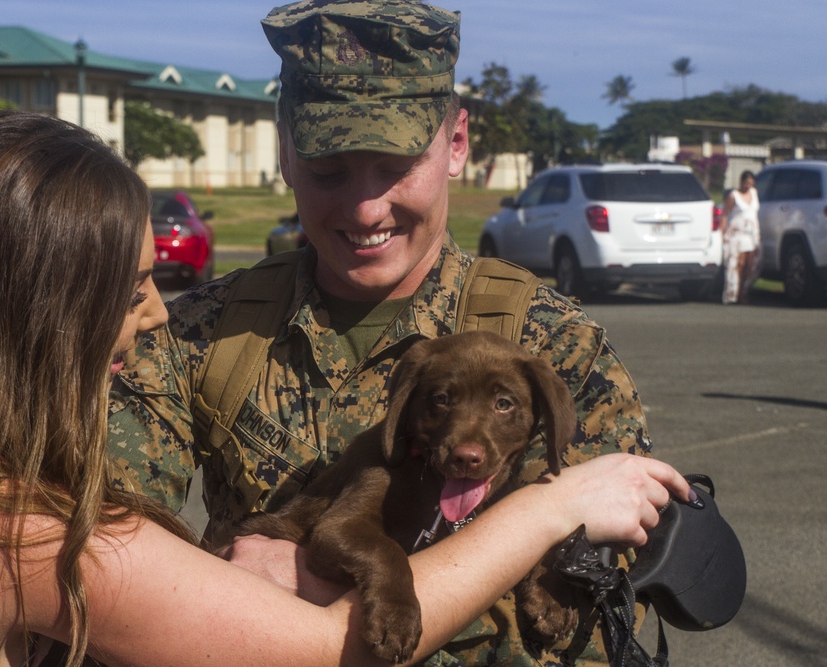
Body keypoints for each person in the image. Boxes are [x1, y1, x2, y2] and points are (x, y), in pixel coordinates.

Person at [0, 109, 689, 667]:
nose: (160, 316)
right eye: (132, 290)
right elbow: (322, 646)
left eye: (393, 162)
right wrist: (545, 508)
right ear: (39, 315)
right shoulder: (29, 529)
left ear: (455, 145)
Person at [108, 1, 659, 665]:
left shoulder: (556, 347)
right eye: (328, 169)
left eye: (394, 165)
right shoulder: (194, 333)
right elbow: (110, 566)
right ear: (284, 150)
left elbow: (592, 619)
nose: (365, 207)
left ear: (456, 143)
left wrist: (320, 600)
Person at [720, 170, 761, 304]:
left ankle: (744, 289)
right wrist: (722, 232)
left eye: (751, 183)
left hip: (751, 233)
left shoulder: (754, 193)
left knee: (750, 265)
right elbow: (725, 214)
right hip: (737, 233)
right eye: (746, 183)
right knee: (739, 263)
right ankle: (735, 294)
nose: (748, 186)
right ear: (741, 182)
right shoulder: (734, 196)